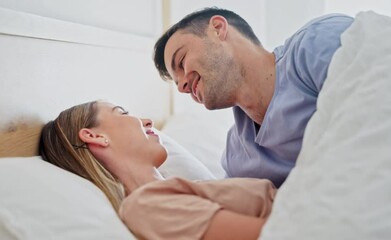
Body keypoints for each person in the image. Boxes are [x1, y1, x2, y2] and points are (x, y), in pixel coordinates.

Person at [153, 7, 354, 187]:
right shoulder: (238, 156)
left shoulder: (317, 43)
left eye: (181, 61)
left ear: (217, 28)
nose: (181, 87)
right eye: (176, 82)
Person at [39, 100, 276, 240]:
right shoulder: (146, 206)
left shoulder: (180, 192)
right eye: (122, 112)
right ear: (95, 136)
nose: (147, 121)